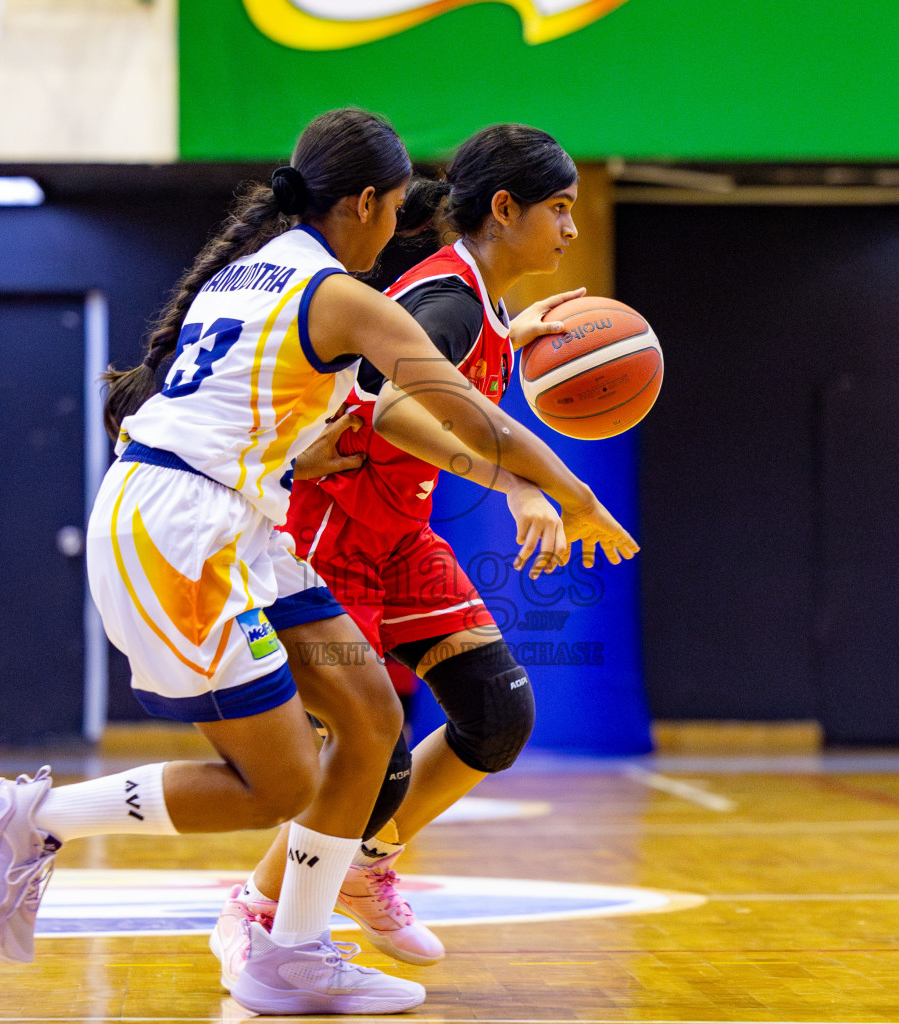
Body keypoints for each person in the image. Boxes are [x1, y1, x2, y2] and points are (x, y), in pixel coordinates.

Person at [0, 109, 635, 1016]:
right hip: (181, 528)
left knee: (367, 722)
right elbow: (474, 418)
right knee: (282, 782)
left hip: (233, 520)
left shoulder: (252, 269)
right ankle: (28, 817)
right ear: (363, 204)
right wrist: (568, 490)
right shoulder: (346, 297)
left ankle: (292, 954)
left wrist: (295, 448)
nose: (402, 228)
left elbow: (257, 397)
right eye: (397, 209)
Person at [211, 124, 627, 974]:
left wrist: (518, 333)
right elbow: (383, 408)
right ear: (503, 210)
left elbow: (455, 364)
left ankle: (363, 869)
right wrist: (514, 483)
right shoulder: (449, 303)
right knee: (374, 751)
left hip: (401, 530)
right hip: (335, 530)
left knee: (497, 715)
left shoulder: (480, 302)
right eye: (560, 209)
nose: (572, 230)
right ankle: (257, 909)